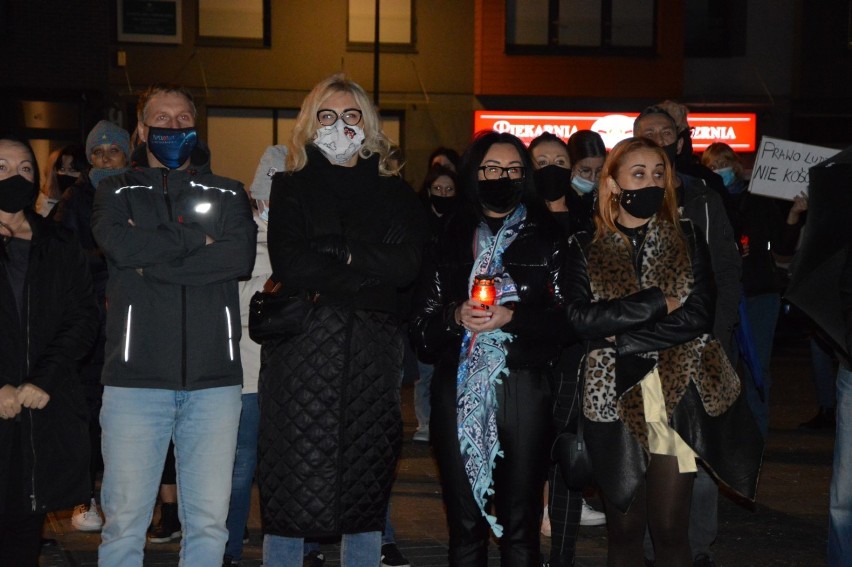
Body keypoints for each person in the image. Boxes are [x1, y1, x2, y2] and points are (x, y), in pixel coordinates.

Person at [563, 136, 762, 567]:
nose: (651, 182)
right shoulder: (584, 246)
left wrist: (624, 338)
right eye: (639, 174)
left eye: (659, 174)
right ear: (612, 184)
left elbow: (698, 316)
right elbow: (581, 320)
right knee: (624, 532)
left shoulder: (687, 237)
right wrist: (655, 303)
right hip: (612, 397)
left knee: (672, 530)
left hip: (674, 396)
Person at [258, 73, 428, 567]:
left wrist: (341, 254)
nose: (339, 126)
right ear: (311, 125)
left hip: (372, 356)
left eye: (351, 116)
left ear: (368, 125)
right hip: (301, 352)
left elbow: (408, 266)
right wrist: (366, 274)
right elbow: (292, 264)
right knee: (291, 476)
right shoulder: (289, 186)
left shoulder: (395, 193)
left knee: (366, 477)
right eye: (327, 116)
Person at [91, 84, 257, 566]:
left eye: (183, 119)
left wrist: (153, 258)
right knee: (124, 526)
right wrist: (199, 243)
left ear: (195, 127)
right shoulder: (113, 189)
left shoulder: (227, 191)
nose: (173, 127)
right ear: (142, 130)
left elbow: (238, 257)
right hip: (133, 385)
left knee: (208, 524)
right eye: (161, 119)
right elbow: (120, 247)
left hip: (214, 386)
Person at [412, 130, 569, 565]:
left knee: (521, 526)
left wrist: (513, 318)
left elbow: (569, 321)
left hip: (525, 386)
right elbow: (421, 330)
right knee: (465, 527)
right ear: (473, 174)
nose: (505, 177)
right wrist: (455, 316)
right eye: (493, 169)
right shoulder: (446, 236)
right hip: (457, 390)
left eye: (515, 170)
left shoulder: (549, 236)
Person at [634, 106, 741, 567]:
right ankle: (642, 544)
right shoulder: (615, 199)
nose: (657, 138)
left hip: (697, 349)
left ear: (679, 141)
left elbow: (725, 272)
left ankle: (694, 547)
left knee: (694, 455)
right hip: (637, 357)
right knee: (641, 455)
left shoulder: (702, 197)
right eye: (646, 134)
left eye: (665, 132)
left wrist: (716, 337)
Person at [0, 135, 98, 566]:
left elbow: (82, 318)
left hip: (36, 408)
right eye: (1, 167)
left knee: (24, 526)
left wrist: (43, 378)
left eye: (24, 169)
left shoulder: (57, 243)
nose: (14, 176)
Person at [52, 119, 131, 534]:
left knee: (126, 414)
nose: (104, 159)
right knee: (87, 409)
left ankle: (128, 498)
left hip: (134, 316)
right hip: (92, 317)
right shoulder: (76, 197)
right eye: (97, 153)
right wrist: (113, 252)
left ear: (126, 154)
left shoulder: (138, 191)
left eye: (112, 151)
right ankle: (85, 497)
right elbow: (67, 255)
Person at [540, 129, 608, 567]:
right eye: (542, 163)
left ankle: (561, 555)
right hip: (522, 353)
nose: (554, 172)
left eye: (561, 164)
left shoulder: (590, 216)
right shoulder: (517, 216)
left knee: (565, 454)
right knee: (523, 458)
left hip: (570, 353)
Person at [700, 142, 800, 439]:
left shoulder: (759, 200)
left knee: (758, 367)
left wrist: (794, 213)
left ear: (738, 166)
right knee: (723, 365)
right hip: (722, 295)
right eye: (713, 166)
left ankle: (756, 434)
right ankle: (726, 435)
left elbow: (783, 245)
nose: (721, 171)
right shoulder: (706, 200)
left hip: (758, 295)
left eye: (725, 164)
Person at [221, 145, 280, 567]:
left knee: (288, 467)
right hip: (246, 372)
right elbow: (233, 305)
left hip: (293, 373)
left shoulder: (302, 237)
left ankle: (299, 547)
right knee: (240, 467)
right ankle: (227, 548)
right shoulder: (239, 236)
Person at [411, 165, 460, 444]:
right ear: (428, 191)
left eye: (449, 189)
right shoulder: (419, 222)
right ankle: (425, 422)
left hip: (453, 307)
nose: (443, 194)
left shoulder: (461, 224)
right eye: (438, 189)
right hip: (426, 307)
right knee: (425, 371)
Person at [37, 144, 87, 217]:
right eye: (62, 169)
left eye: (72, 170)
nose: (66, 174)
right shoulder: (54, 209)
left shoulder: (93, 204)